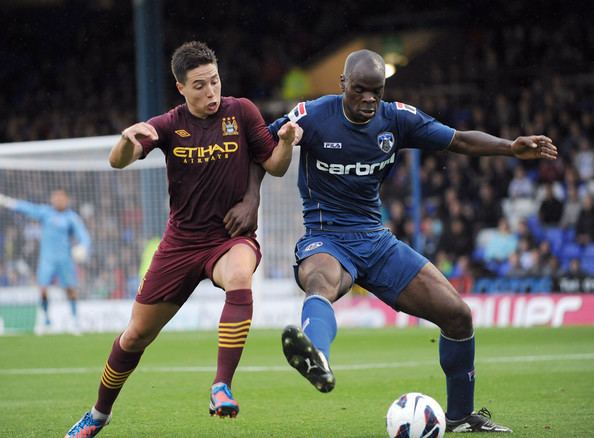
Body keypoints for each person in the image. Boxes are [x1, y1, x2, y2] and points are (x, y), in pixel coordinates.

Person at [269, 49, 557, 433]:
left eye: (377, 91)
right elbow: (260, 145)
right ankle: (317, 355)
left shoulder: (397, 119)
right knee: (320, 281)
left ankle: (460, 417)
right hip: (326, 236)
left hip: (376, 240)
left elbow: (459, 141)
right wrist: (246, 196)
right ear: (343, 85)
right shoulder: (313, 115)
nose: (369, 99)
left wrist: (510, 147)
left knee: (458, 315)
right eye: (360, 90)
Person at [65, 41, 300, 437]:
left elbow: (274, 167)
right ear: (180, 88)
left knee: (240, 276)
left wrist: (288, 143)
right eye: (200, 86)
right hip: (180, 244)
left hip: (228, 238)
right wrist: (127, 138)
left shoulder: (241, 112)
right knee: (136, 335)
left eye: (215, 82)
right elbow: (116, 161)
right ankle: (98, 414)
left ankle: (221, 386)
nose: (211, 93)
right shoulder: (168, 124)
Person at [0, 189, 90, 334]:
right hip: (47, 259)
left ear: (66, 200)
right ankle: (46, 319)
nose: (58, 200)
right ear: (52, 199)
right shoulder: (46, 213)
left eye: (61, 198)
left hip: (65, 259)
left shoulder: (71, 217)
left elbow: (83, 234)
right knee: (42, 288)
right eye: (55, 197)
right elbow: (28, 208)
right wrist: (10, 202)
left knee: (71, 289)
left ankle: (75, 320)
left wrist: (83, 247)